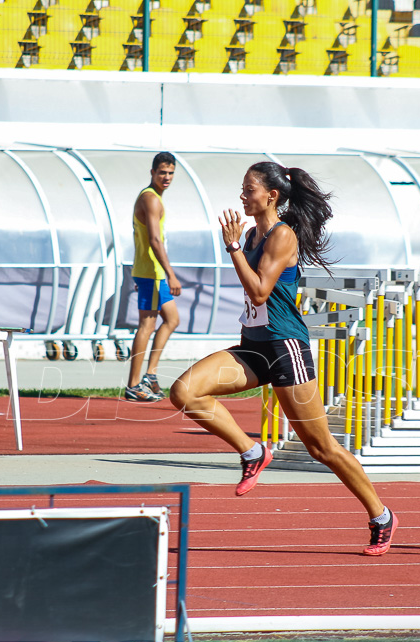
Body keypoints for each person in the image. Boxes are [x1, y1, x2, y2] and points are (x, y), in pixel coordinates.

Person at [169, 161, 398, 556]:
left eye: (249, 189)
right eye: (242, 188)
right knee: (185, 392)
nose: (242, 195)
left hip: (285, 348)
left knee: (321, 447)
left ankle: (381, 515)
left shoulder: (282, 236)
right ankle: (253, 451)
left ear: (271, 195)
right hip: (253, 344)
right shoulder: (255, 232)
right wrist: (240, 245)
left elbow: (259, 292)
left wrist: (233, 247)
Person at [125, 152, 182, 402]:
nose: (166, 177)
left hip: (153, 273)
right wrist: (171, 274)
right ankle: (134, 384)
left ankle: (150, 374)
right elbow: (154, 240)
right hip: (152, 273)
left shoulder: (155, 197)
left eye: (170, 173)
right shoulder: (151, 199)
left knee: (172, 320)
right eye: (162, 172)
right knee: (146, 326)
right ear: (152, 173)